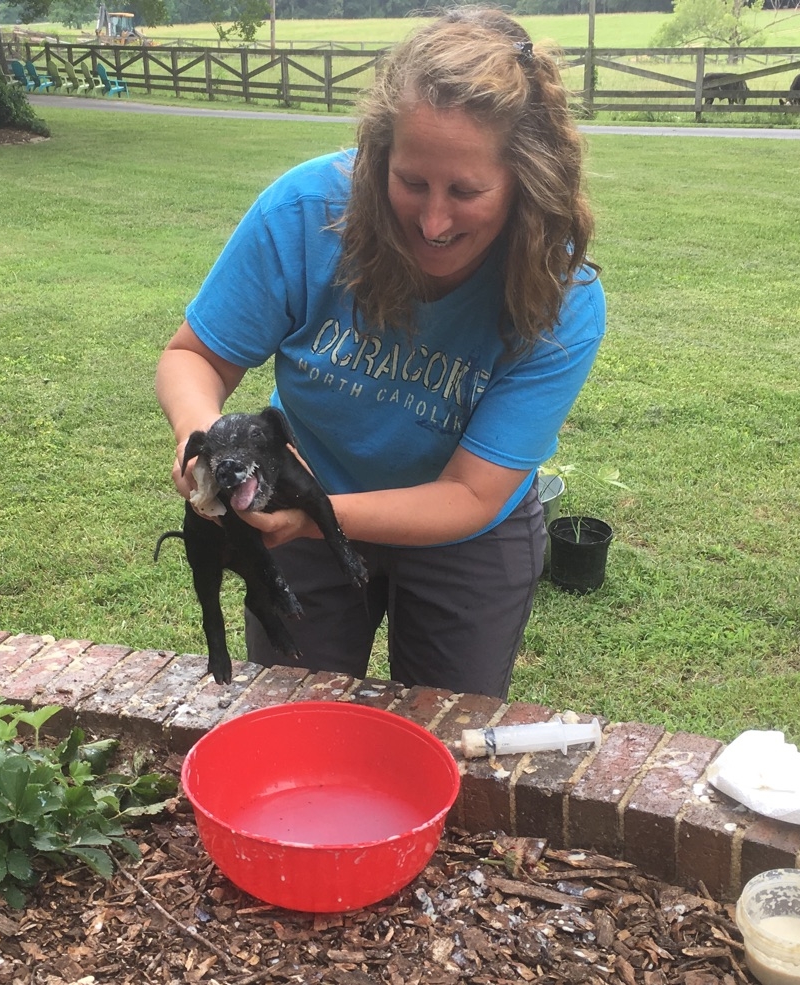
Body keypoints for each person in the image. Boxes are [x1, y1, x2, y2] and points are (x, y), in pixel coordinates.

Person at [155, 6, 606, 701]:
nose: (432, 221)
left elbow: (470, 493)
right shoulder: (306, 212)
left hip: (467, 532)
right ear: (377, 155)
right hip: (301, 499)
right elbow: (196, 359)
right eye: (411, 181)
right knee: (296, 716)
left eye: (466, 191)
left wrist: (319, 514)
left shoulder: (561, 295)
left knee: (442, 730)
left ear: (528, 180)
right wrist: (200, 442)